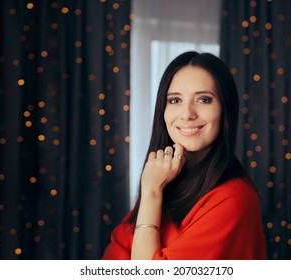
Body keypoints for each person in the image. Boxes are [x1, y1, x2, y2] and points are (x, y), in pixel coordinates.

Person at [102, 51, 266, 260]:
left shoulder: (234, 197)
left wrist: (151, 191)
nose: (187, 114)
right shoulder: (166, 180)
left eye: (204, 99)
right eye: (175, 100)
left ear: (225, 109)